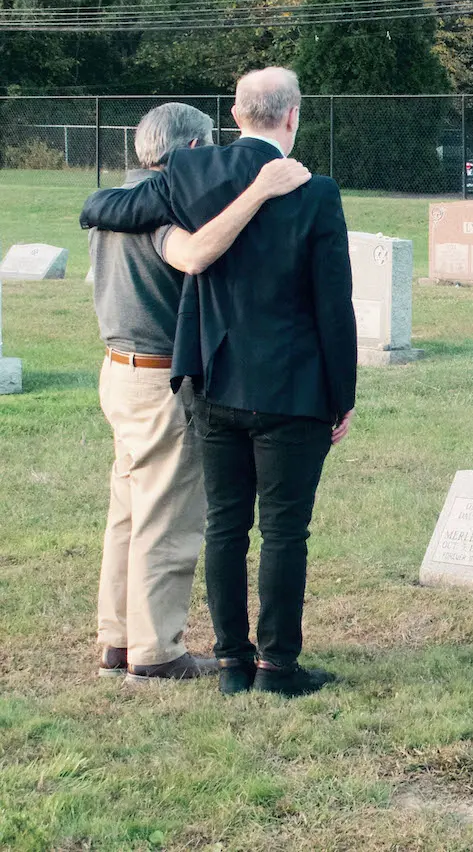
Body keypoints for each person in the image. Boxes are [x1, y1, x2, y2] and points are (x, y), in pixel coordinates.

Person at [81, 67, 357, 698]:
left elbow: (108, 205)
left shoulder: (190, 179)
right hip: (285, 386)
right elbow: (332, 306)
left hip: (206, 381)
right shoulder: (310, 191)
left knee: (215, 524)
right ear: (293, 116)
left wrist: (91, 204)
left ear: (236, 114)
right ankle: (262, 665)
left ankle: (227, 662)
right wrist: (343, 396)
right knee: (266, 527)